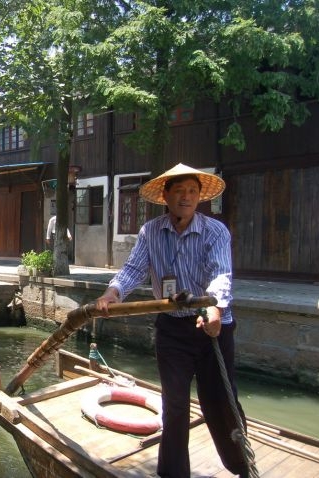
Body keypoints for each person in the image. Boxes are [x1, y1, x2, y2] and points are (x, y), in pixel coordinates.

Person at [94, 163, 248, 478]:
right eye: (179, 191)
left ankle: (242, 467)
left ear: (200, 196)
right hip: (173, 329)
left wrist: (215, 308)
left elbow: (220, 274)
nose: (186, 197)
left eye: (192, 191)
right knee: (175, 405)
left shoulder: (215, 231)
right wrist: (113, 293)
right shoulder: (151, 231)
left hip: (212, 329)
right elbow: (134, 269)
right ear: (165, 195)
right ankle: (173, 473)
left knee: (220, 401)